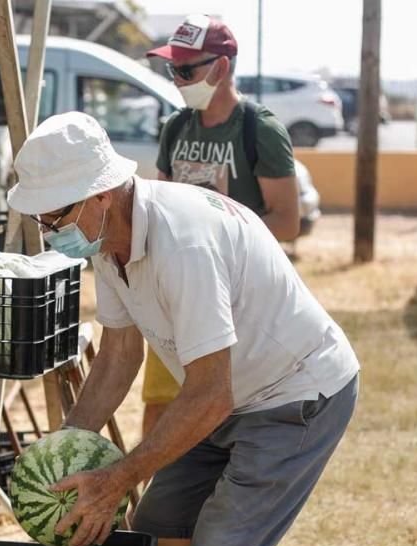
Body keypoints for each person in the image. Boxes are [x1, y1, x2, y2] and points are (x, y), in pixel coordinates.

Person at [7, 112, 359, 546]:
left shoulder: (182, 244)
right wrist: (63, 450)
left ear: (101, 193)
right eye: (43, 219)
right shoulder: (108, 241)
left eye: (57, 214)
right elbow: (120, 354)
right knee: (159, 531)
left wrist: (118, 476)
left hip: (296, 392)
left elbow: (210, 395)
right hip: (227, 394)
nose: (51, 230)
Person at [141, 14, 302, 440]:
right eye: (171, 69)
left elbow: (287, 221)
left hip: (238, 295)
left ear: (222, 67)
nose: (176, 79)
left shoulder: (259, 130)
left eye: (186, 69)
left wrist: (221, 238)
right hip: (175, 289)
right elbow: (161, 206)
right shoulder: (176, 127)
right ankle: (154, 498)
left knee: (225, 404)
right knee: (160, 400)